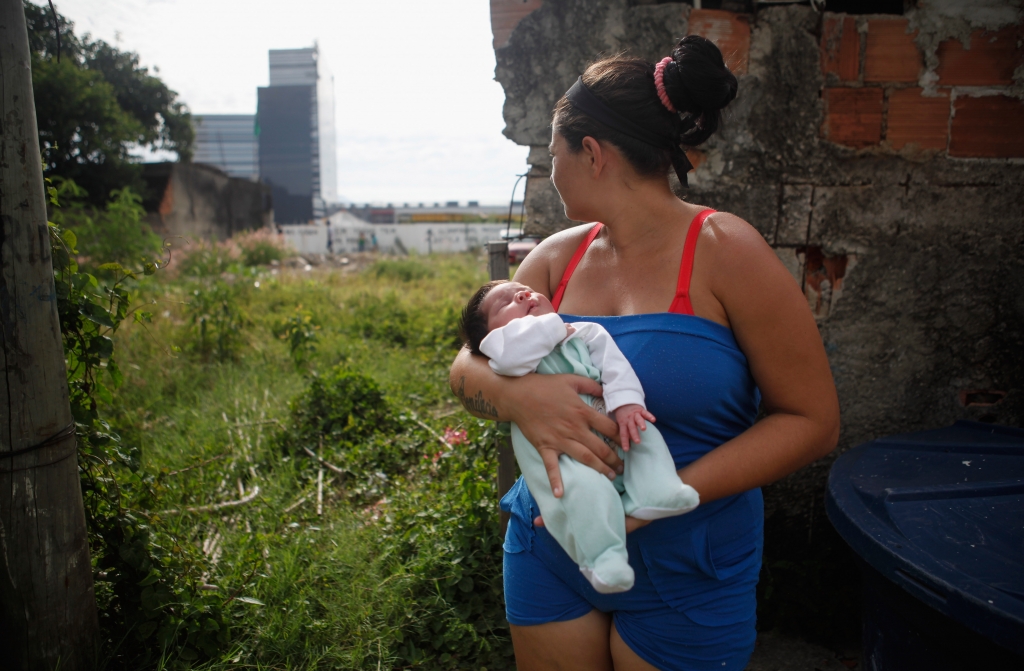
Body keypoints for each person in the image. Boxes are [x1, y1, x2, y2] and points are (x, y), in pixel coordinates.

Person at [449, 35, 839, 671]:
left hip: (691, 561)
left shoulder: (727, 250)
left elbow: (812, 420)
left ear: (593, 154)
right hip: (552, 549)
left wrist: (652, 500)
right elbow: (465, 365)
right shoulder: (557, 256)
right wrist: (516, 396)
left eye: (554, 156)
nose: (550, 174)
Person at [459, 279, 700, 594]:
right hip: (563, 456)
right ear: (489, 337)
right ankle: (602, 557)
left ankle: (656, 491)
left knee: (643, 435)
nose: (523, 293)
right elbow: (512, 357)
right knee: (583, 492)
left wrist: (628, 405)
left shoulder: (585, 332)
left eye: (525, 289)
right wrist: (552, 323)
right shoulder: (504, 353)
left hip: (606, 418)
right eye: (505, 302)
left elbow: (615, 369)